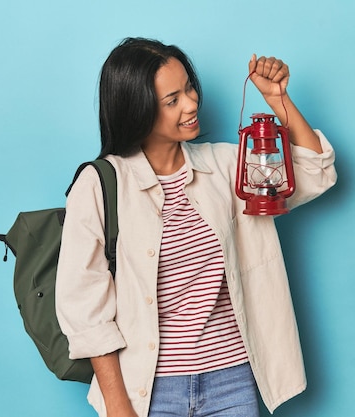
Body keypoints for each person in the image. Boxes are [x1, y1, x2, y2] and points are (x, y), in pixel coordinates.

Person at [56, 37, 337, 417]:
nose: (191, 104)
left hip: (232, 380)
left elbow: (314, 172)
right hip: (148, 387)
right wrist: (118, 405)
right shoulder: (100, 184)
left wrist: (278, 100)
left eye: (189, 87)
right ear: (136, 110)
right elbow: (84, 305)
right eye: (172, 101)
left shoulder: (226, 166)